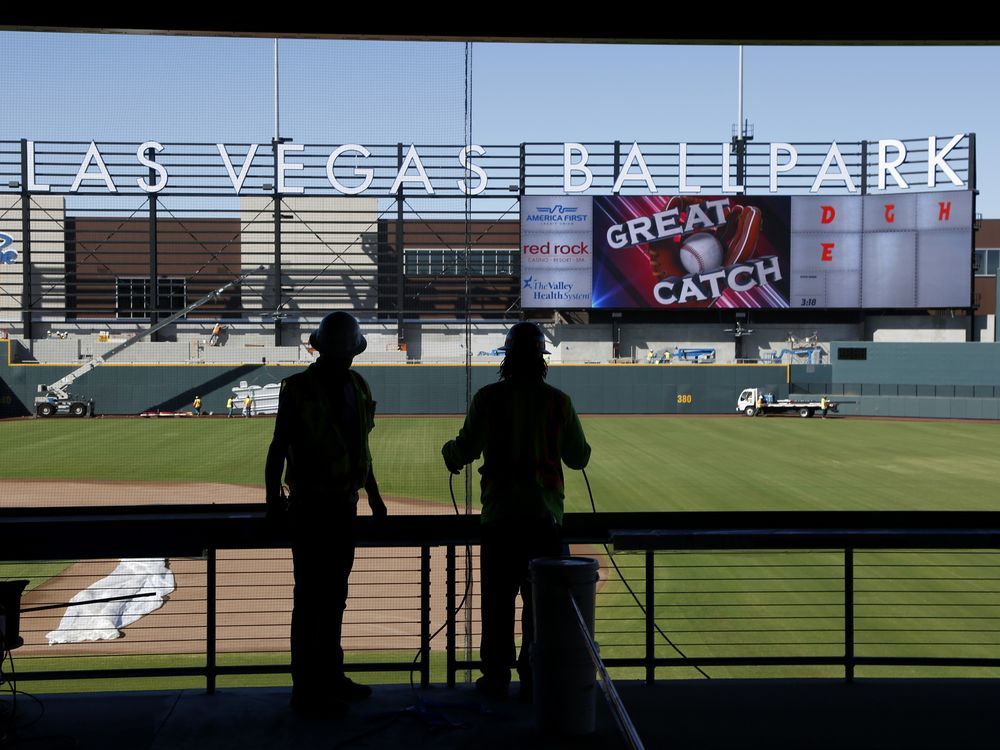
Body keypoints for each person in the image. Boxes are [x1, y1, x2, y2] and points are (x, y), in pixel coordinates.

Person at [441, 322, 591, 701]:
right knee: (539, 605)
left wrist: (452, 454)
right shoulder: (559, 402)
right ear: (541, 361)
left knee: (496, 601)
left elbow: (466, 448)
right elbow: (578, 457)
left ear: (506, 359)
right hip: (544, 521)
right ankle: (532, 675)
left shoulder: (488, 399)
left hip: (499, 521)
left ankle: (494, 677)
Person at [265, 311, 388, 717]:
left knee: (332, 597)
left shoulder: (356, 385)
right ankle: (306, 690)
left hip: (342, 507)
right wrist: (273, 504)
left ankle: (329, 678)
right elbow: (280, 447)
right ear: (353, 348)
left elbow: (360, 452)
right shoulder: (298, 389)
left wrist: (372, 496)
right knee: (313, 599)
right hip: (312, 508)